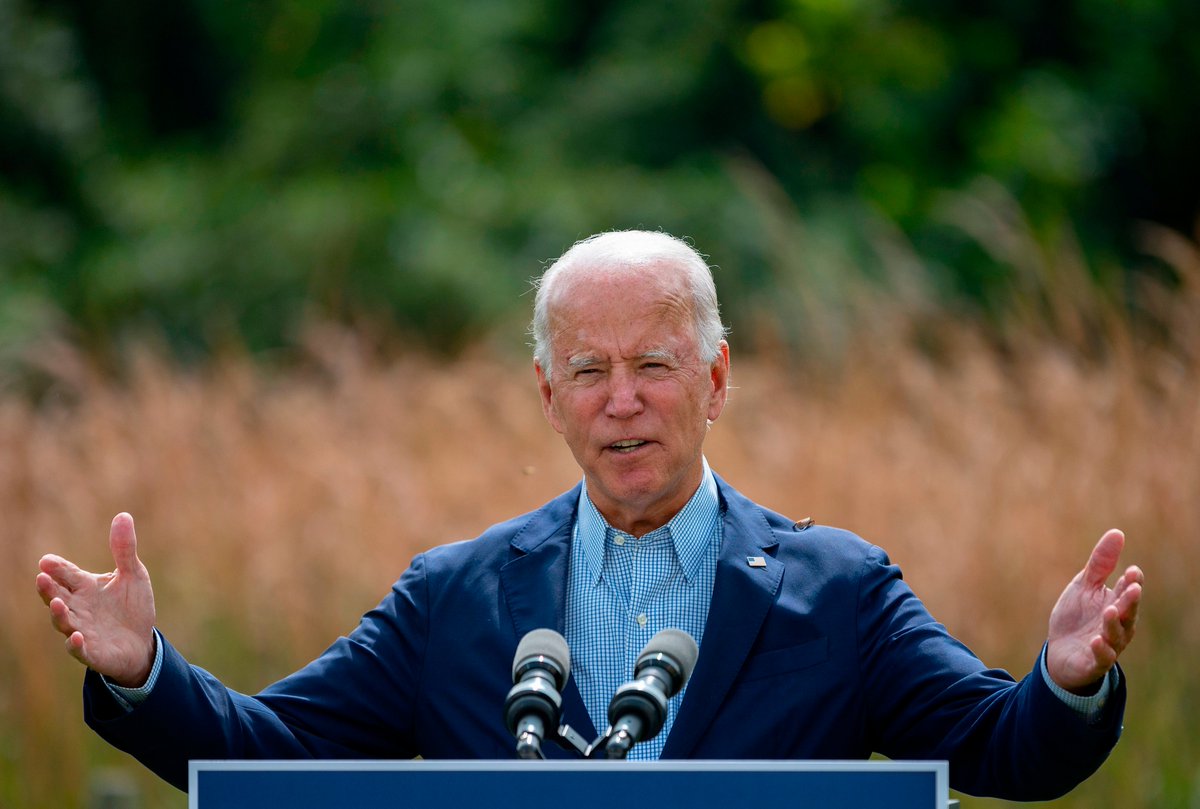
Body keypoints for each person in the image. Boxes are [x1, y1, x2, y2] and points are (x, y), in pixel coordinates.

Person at [36, 230, 1144, 799]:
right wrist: (144, 671)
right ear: (546, 396)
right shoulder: (453, 596)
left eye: (654, 364)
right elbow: (274, 757)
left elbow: (1008, 752)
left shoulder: (838, 590)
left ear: (714, 381)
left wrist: (1067, 677)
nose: (623, 399)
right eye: (589, 369)